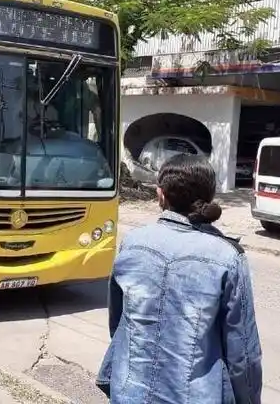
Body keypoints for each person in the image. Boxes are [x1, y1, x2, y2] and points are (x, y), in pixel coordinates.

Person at [96, 154, 263, 403]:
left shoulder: (132, 243)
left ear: (160, 194)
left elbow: (119, 325)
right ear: (209, 197)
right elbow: (243, 355)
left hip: (129, 393)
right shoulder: (227, 257)